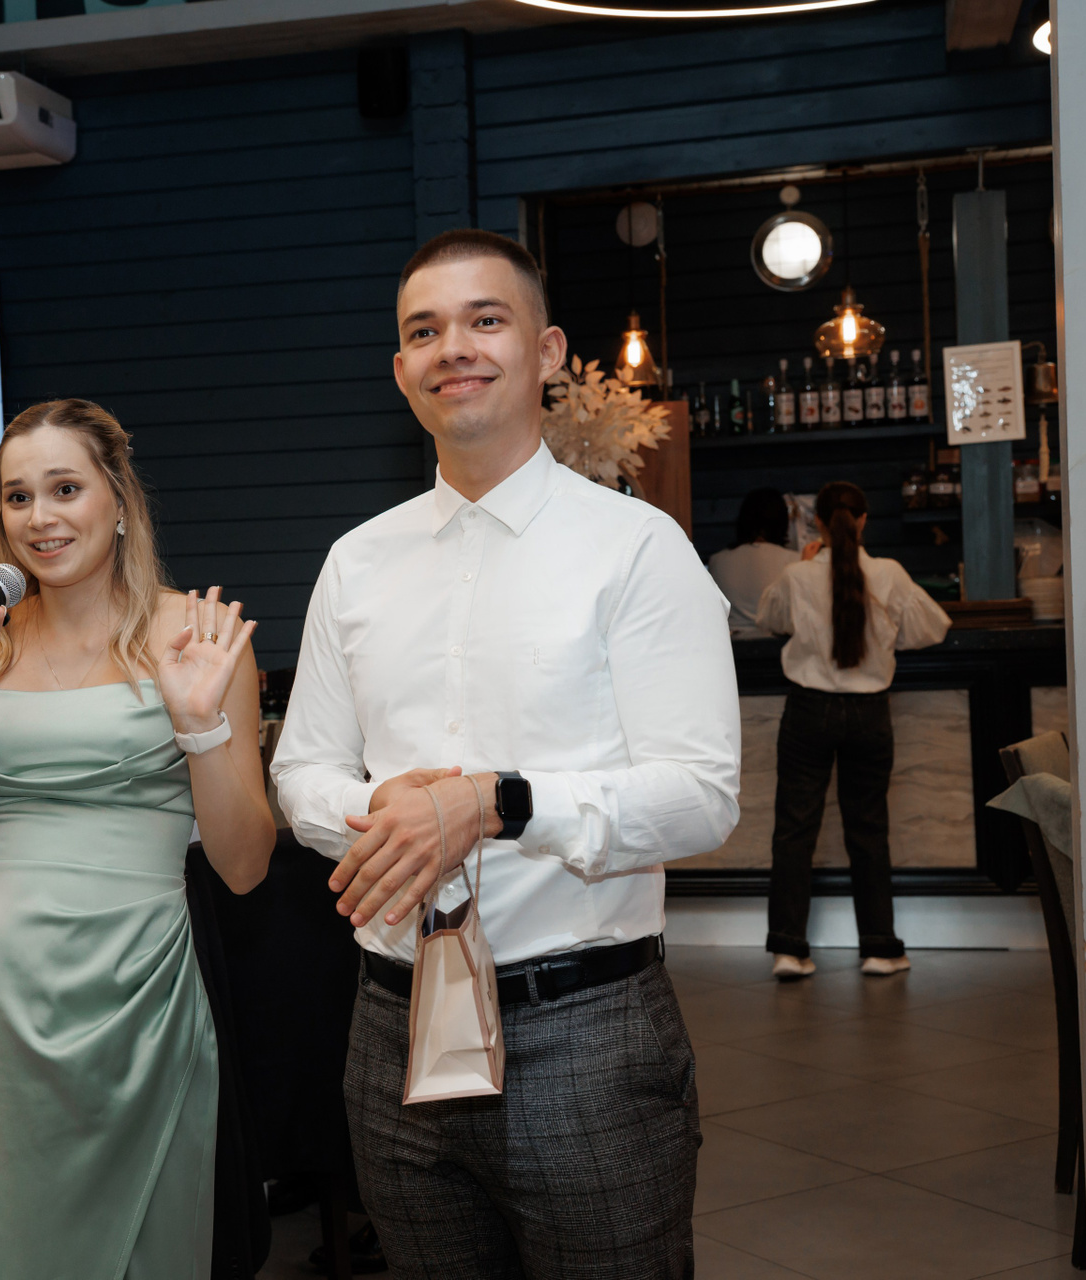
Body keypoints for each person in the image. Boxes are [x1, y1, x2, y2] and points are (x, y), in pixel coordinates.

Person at [271, 228, 742, 1280]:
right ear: (401, 370)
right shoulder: (356, 562)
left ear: (547, 351)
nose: (454, 348)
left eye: (485, 320)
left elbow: (701, 797)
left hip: (584, 1034)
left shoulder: (636, 547)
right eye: (424, 331)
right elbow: (301, 772)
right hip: (389, 1027)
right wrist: (388, 812)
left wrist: (497, 802)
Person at [0, 398, 276, 1279]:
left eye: (65, 488)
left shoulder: (198, 635)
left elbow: (245, 865)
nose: (40, 517)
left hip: (138, 989)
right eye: (18, 497)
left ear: (118, 500)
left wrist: (199, 726)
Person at [755, 480, 951, 980]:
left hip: (808, 710)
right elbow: (933, 627)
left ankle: (789, 950)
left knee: (794, 831)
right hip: (869, 713)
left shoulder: (796, 575)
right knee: (868, 831)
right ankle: (879, 948)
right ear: (863, 521)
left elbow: (768, 618)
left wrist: (805, 565)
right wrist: (884, 638)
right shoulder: (889, 574)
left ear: (817, 523)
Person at [709, 487, 800, 638]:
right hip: (777, 646)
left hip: (731, 646)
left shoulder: (717, 561)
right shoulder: (795, 561)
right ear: (783, 523)